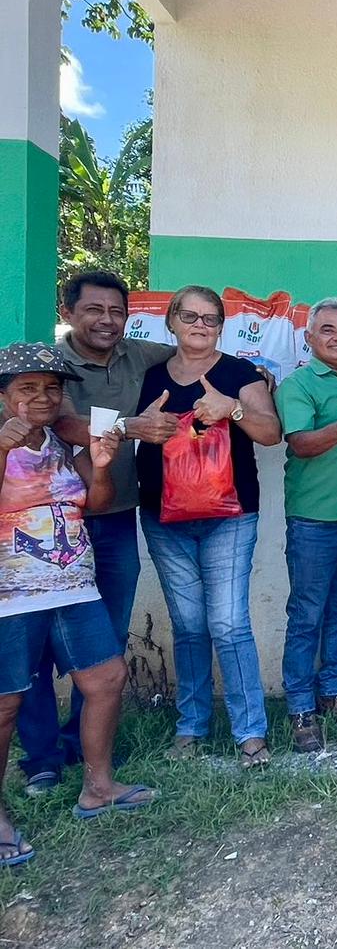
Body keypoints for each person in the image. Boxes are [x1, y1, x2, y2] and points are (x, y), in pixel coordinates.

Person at [15, 271, 177, 796]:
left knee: (104, 640)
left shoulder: (139, 354)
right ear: (68, 312)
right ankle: (41, 758)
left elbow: (193, 353)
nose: (107, 321)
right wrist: (132, 428)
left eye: (116, 311)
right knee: (36, 648)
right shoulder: (52, 366)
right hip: (45, 529)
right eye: (94, 310)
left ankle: (87, 746)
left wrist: (251, 378)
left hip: (114, 515)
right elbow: (65, 424)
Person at [1, 344, 156, 867]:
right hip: (11, 596)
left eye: (51, 388)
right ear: (4, 396)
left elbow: (98, 502)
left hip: (72, 586)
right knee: (6, 703)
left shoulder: (63, 443)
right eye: (27, 388)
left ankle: (99, 786)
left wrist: (103, 466)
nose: (42, 397)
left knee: (106, 680)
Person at [136, 286, 282, 768]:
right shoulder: (150, 375)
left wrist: (232, 409)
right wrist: (140, 425)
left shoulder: (240, 373)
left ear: (221, 325)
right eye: (190, 316)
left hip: (230, 517)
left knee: (228, 623)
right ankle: (191, 726)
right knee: (189, 625)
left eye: (210, 318)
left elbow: (271, 432)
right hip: (163, 516)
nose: (200, 325)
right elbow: (123, 427)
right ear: (171, 321)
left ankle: (251, 732)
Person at [273, 298, 337, 753]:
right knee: (306, 615)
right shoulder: (297, 384)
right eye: (328, 330)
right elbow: (299, 443)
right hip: (314, 519)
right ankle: (300, 707)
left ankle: (333, 691)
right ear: (309, 337)